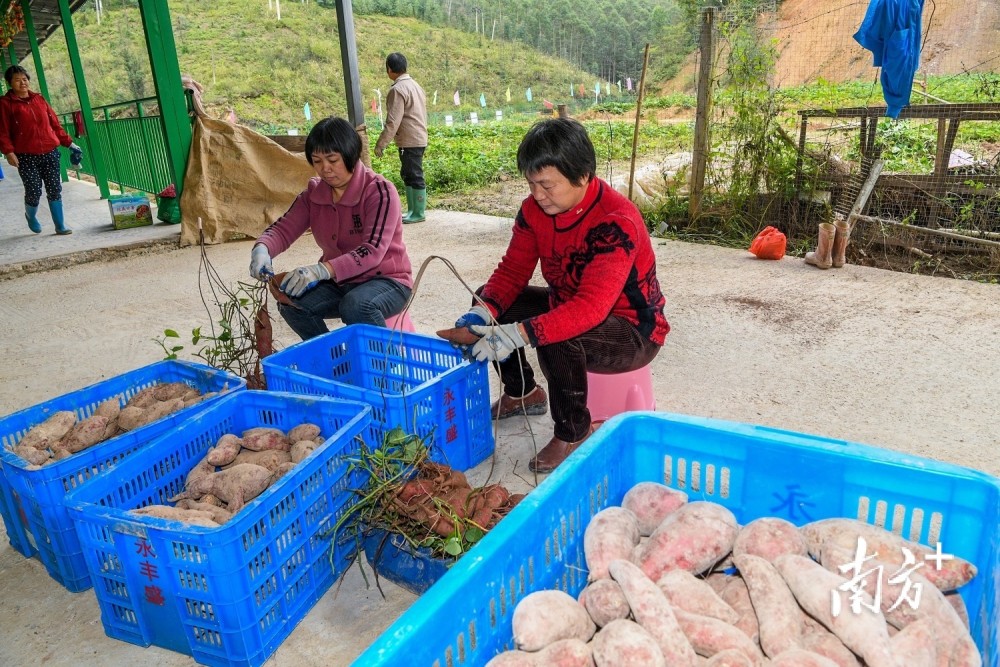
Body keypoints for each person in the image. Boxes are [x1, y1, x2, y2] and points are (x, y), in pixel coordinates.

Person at [451, 118, 669, 473]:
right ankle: (523, 391)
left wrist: (519, 334)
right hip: (569, 304)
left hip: (633, 330)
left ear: (582, 175)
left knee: (555, 335)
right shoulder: (535, 211)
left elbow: (590, 308)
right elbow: (512, 272)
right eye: (532, 184)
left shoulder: (615, 222)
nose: (537, 195)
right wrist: (481, 314)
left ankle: (573, 432)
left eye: (547, 185)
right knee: (493, 302)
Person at [249, 116, 414, 341]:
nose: (325, 169)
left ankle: (385, 369)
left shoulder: (379, 191)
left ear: (350, 155)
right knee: (291, 302)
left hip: (387, 282)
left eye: (332, 159)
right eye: (317, 161)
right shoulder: (313, 196)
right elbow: (282, 230)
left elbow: (373, 250)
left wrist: (321, 270)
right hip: (341, 283)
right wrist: (262, 250)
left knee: (356, 305)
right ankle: (333, 361)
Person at [0, 65, 82, 235]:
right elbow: (2, 131)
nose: (23, 83)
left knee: (54, 188)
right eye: (17, 80)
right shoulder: (5, 104)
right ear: (9, 83)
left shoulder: (39, 99)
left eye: (25, 79)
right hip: (25, 155)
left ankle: (60, 225)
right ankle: (31, 216)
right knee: (34, 190)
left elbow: (54, 125)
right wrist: (8, 152)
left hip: (50, 152)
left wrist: (69, 143)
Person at [374, 52, 428, 224]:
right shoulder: (415, 85)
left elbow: (393, 121)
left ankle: (418, 213)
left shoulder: (397, 89)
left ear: (389, 69)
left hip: (409, 139)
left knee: (413, 174)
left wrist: (381, 144)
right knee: (408, 174)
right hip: (418, 137)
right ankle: (413, 210)